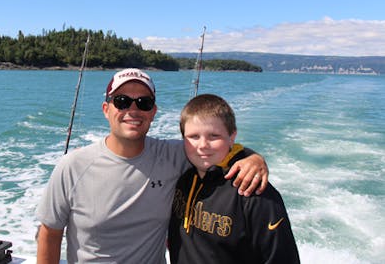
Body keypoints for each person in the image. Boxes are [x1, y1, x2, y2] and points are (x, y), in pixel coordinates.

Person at [36, 68, 269, 264]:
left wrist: (252, 158)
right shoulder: (73, 166)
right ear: (106, 110)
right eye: (122, 101)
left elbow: (212, 149)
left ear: (153, 112)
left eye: (144, 103)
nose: (133, 110)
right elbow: (50, 234)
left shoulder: (173, 155)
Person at [168, 94, 299, 263]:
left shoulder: (254, 193)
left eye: (214, 136)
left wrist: (254, 158)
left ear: (232, 137)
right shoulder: (182, 180)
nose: (202, 145)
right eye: (194, 136)